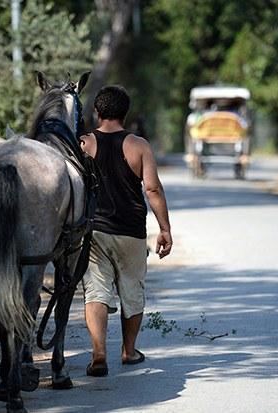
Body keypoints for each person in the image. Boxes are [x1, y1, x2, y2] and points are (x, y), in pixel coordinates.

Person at [79, 85, 172, 377]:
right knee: (132, 289)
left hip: (95, 232)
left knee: (96, 290)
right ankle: (129, 351)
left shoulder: (83, 143)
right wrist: (165, 228)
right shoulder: (138, 145)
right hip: (131, 231)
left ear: (97, 111)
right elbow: (152, 188)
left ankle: (98, 353)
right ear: (125, 113)